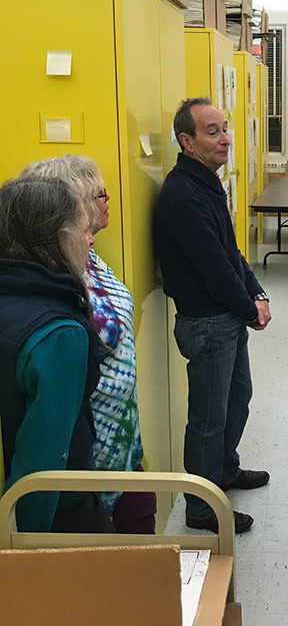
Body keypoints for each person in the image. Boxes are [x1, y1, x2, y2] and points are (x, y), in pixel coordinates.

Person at [154, 96, 271, 535]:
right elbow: (213, 267)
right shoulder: (183, 194)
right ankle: (201, 509)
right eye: (212, 131)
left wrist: (255, 291)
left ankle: (224, 470)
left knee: (236, 400)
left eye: (225, 129)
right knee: (207, 420)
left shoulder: (205, 182)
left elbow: (231, 252)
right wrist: (249, 309)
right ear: (186, 140)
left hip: (225, 317)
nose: (224, 139)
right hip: (206, 324)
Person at [21, 155, 156, 534]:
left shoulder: (90, 254)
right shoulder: (54, 277)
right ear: (73, 202)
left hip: (124, 433)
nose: (107, 200)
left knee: (141, 528)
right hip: (87, 444)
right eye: (99, 194)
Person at [0, 176, 113, 534]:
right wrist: (21, 546)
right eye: (83, 229)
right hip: (57, 512)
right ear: (58, 239)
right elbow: (42, 463)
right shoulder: (60, 334)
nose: (91, 239)